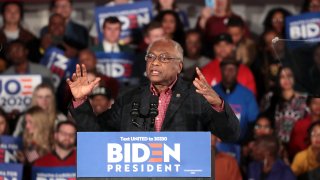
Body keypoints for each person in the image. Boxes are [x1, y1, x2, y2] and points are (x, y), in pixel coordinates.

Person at [67, 38, 240, 142]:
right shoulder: (129, 98)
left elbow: (231, 135)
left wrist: (218, 104)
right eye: (150, 57)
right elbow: (95, 134)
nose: (155, 62)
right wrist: (81, 101)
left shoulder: (196, 97)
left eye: (163, 58)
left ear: (179, 66)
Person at [213, 58, 259, 142]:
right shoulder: (212, 92)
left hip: (240, 145)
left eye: (232, 69)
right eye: (226, 69)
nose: (229, 72)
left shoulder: (247, 95)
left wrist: (246, 143)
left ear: (237, 71)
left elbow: (253, 122)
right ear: (221, 70)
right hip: (215, 144)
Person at [289, 94, 320, 159]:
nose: (318, 106)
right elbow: (293, 147)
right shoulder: (300, 125)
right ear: (309, 105)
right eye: (314, 102)